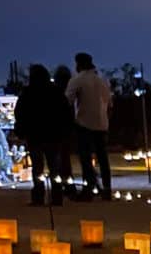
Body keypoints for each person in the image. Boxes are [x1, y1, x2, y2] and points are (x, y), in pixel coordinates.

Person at [13, 64, 74, 205]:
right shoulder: (56, 92)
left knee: (38, 167)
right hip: (54, 136)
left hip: (35, 136)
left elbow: (20, 113)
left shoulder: (28, 93)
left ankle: (38, 197)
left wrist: (22, 131)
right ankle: (57, 196)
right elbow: (66, 113)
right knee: (54, 167)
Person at [65, 52, 113, 198]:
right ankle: (106, 188)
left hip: (84, 123)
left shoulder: (77, 80)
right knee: (103, 157)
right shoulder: (103, 81)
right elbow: (110, 104)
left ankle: (89, 188)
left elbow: (67, 100)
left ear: (78, 64)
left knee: (85, 158)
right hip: (102, 123)